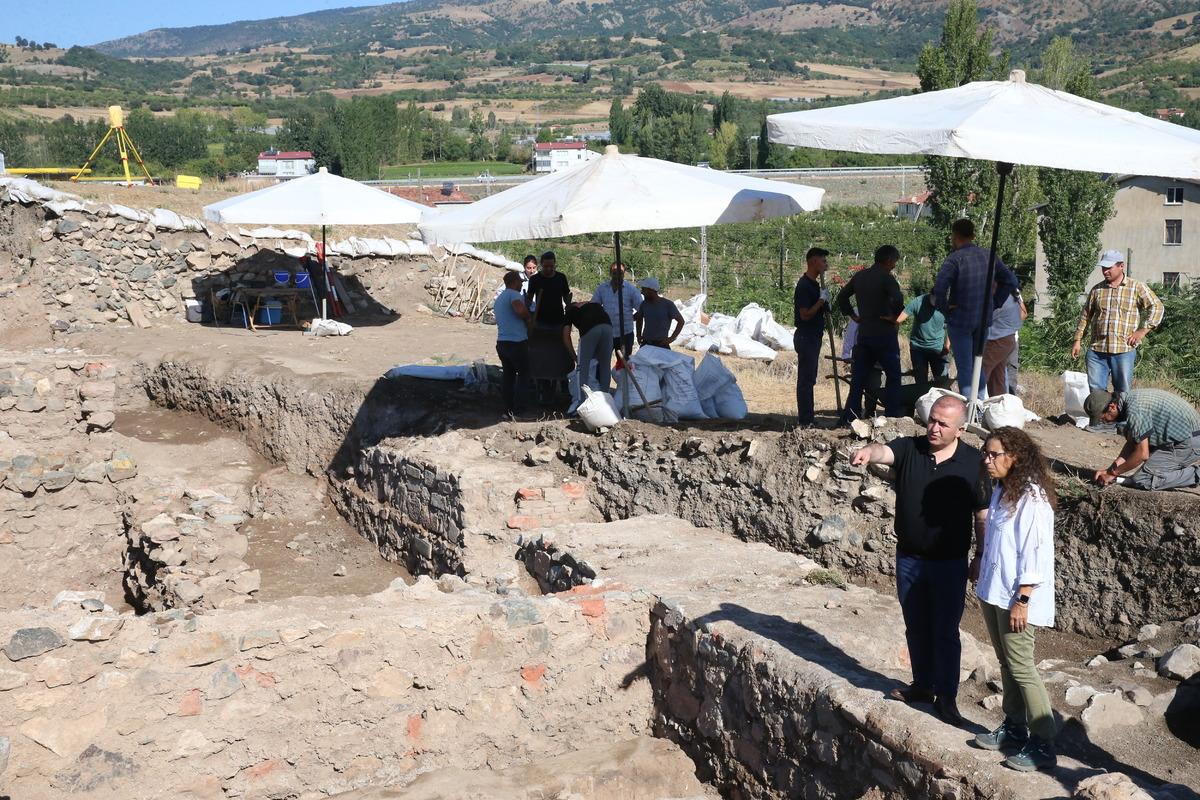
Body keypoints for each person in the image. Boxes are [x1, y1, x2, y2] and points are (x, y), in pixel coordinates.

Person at [850, 395, 990, 725]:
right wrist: (868, 452)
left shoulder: (973, 463)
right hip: (910, 558)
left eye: (943, 423)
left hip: (949, 562)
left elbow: (982, 514)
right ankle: (923, 685)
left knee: (944, 630)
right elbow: (884, 451)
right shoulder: (911, 448)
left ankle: (947, 697)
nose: (934, 427)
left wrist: (981, 555)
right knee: (916, 625)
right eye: (932, 419)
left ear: (961, 429)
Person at [973, 426, 1058, 772]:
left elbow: (1035, 554)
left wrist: (1022, 599)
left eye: (995, 455)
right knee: (1006, 662)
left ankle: (1043, 741)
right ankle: (1014, 725)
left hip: (1017, 597)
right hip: (994, 591)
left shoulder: (1033, 500)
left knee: (1022, 666)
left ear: (1016, 457)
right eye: (986, 453)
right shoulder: (1001, 490)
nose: (987, 460)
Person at [933, 219, 1019, 399]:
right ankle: (979, 407)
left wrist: (946, 308)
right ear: (972, 235)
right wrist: (994, 302)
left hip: (960, 320)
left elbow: (939, 289)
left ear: (954, 236)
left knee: (965, 368)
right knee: (977, 364)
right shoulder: (989, 256)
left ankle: (970, 412)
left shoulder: (954, 259)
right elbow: (1011, 281)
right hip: (983, 320)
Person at [1071, 250, 1164, 395]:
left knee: (1122, 392)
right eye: (1103, 267)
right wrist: (1077, 340)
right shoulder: (1097, 290)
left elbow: (1157, 306)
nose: (1105, 271)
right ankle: (1099, 418)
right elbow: (1085, 316)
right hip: (1097, 350)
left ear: (1121, 266)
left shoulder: (1136, 287)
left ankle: (1120, 418)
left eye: (1109, 267)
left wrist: (1143, 330)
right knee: (1096, 393)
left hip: (1123, 350)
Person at [835, 245, 904, 422]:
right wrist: (894, 317)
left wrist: (853, 315)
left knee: (858, 379)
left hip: (864, 334)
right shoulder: (887, 279)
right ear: (889, 260)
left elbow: (842, 298)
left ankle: (850, 416)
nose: (894, 266)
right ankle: (892, 416)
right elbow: (898, 299)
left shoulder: (860, 276)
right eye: (894, 262)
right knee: (894, 377)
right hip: (884, 334)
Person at [1085, 388, 1200, 491]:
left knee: (1143, 479)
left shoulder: (1135, 411)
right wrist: (1109, 470)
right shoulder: (1129, 400)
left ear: (1112, 407)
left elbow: (1142, 454)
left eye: (1103, 418)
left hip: (1189, 441)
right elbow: (1133, 443)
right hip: (1181, 436)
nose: (1103, 422)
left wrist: (1113, 473)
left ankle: (1197, 475)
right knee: (1130, 433)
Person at [792, 247, 831, 426]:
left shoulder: (816, 285)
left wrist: (825, 304)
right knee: (806, 380)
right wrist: (821, 301)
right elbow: (805, 315)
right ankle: (806, 421)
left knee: (810, 378)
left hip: (813, 337)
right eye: (823, 261)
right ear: (813, 261)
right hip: (806, 337)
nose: (826, 264)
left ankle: (808, 418)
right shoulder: (804, 286)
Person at [494, 271, 532, 417]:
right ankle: (519, 410)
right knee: (523, 374)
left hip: (502, 343)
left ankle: (507, 409)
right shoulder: (514, 295)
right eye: (520, 281)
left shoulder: (500, 298)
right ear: (515, 282)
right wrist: (528, 318)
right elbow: (519, 309)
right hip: (516, 342)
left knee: (508, 376)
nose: (522, 284)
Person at [896, 292, 949, 387]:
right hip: (918, 348)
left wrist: (947, 346)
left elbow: (952, 327)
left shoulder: (947, 306)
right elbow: (898, 320)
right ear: (930, 295)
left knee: (942, 382)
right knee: (921, 383)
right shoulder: (918, 302)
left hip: (937, 349)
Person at [981, 288, 1025, 398]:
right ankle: (1000, 406)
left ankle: (976, 405)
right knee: (998, 375)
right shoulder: (1010, 290)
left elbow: (1023, 313)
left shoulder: (1009, 291)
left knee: (980, 373)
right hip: (1005, 339)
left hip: (1000, 339)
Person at [563, 301, 614, 395]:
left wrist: (575, 358)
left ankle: (583, 402)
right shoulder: (594, 305)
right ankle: (606, 399)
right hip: (608, 327)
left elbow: (566, 336)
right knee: (605, 366)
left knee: (584, 367)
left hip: (589, 328)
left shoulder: (570, 311)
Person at [841, 306, 881, 418]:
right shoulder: (858, 310)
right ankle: (851, 415)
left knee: (874, 386)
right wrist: (846, 353)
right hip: (860, 351)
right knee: (857, 385)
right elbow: (851, 331)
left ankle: (870, 414)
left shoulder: (884, 308)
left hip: (878, 352)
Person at [635, 277, 684, 349]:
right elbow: (639, 319)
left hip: (661, 344)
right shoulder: (644, 304)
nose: (641, 292)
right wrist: (638, 335)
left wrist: (671, 338)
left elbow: (681, 321)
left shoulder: (668, 304)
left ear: (651, 290)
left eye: (643, 289)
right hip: (646, 344)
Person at [526, 250, 571, 327]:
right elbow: (529, 299)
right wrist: (528, 315)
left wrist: (569, 307)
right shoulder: (534, 279)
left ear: (554, 264)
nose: (549, 269)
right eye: (546, 266)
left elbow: (566, 297)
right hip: (540, 321)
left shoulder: (561, 278)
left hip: (558, 320)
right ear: (541, 264)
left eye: (551, 266)